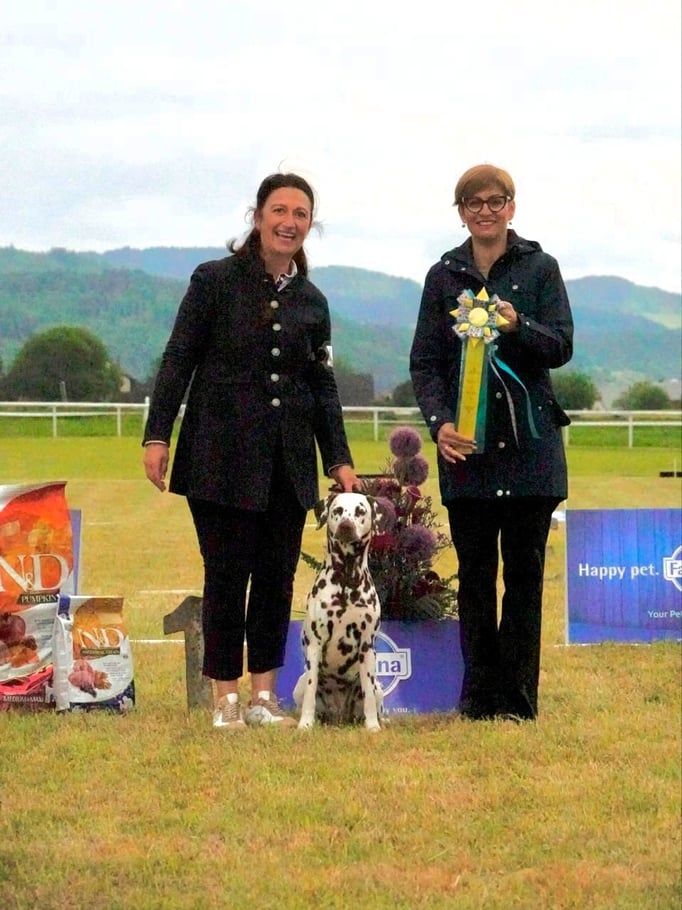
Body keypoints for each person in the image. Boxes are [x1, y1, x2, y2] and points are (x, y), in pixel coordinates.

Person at [143, 172, 359, 730]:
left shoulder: (313, 301)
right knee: (226, 576)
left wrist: (338, 458)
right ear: (258, 216)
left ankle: (264, 697)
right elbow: (178, 358)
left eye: (301, 214)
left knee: (275, 580)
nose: (289, 222)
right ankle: (226, 700)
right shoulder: (213, 281)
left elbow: (322, 385)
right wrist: (157, 434)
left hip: (288, 462)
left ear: (310, 225)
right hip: (219, 456)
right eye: (279, 211)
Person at [409, 164, 573, 721]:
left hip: (531, 451)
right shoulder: (442, 277)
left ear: (511, 207)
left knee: (524, 581)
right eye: (473, 203)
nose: (485, 210)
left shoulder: (541, 269)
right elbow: (425, 362)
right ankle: (478, 699)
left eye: (495, 200)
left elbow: (561, 346)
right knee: (476, 579)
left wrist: (517, 324)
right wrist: (439, 423)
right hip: (468, 452)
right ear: (461, 212)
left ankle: (518, 701)